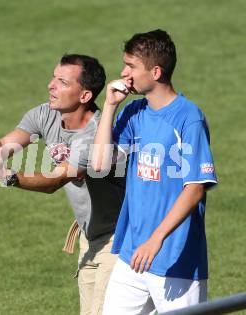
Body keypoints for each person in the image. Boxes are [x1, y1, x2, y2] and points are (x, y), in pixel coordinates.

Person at [0, 54, 125, 314]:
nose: (51, 85)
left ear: (84, 96)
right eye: (53, 77)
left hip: (118, 241)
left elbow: (55, 181)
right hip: (89, 236)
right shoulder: (45, 114)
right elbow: (2, 146)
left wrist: (9, 177)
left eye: (62, 81)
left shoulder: (94, 134)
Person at [92, 29, 218, 314]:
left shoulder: (189, 118)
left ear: (156, 71)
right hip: (132, 254)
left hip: (175, 260)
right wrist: (111, 106)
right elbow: (100, 164)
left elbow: (195, 187)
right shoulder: (134, 112)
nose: (124, 73)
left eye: (131, 66)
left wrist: (156, 239)